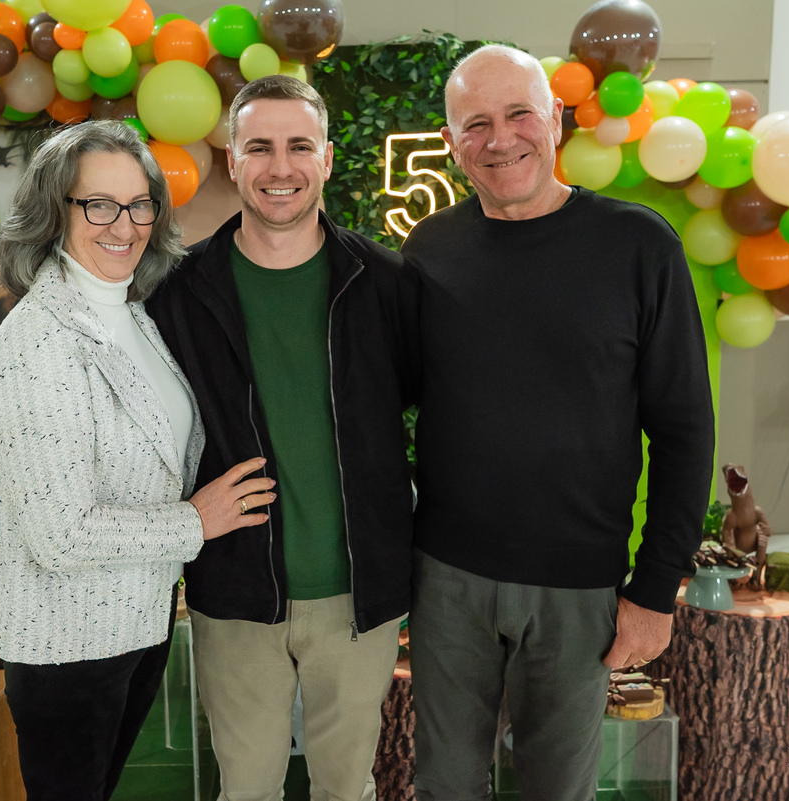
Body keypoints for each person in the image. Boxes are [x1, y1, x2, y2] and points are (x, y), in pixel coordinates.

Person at [401, 45, 715, 801]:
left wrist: (655, 587)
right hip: (448, 579)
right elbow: (394, 400)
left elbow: (683, 427)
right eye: (475, 123)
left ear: (556, 119)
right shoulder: (429, 250)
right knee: (443, 783)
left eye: (518, 115)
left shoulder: (639, 245)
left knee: (556, 789)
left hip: (580, 584)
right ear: (451, 143)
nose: (499, 138)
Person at [0, 120, 274, 801]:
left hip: (133, 622)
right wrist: (195, 522)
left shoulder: (131, 311)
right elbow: (61, 533)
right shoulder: (37, 343)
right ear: (56, 210)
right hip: (66, 644)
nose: (126, 224)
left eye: (140, 203)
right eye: (99, 204)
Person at [147, 75, 419, 800]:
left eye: (299, 146)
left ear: (326, 159)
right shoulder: (178, 295)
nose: (280, 167)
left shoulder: (386, 284)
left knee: (346, 787)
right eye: (259, 147)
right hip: (234, 590)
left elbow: (443, 418)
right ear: (233, 161)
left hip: (360, 593)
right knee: (248, 788)